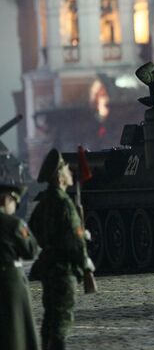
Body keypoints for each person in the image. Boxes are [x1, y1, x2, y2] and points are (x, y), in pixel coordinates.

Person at [29, 149, 92, 350]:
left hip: (49, 268)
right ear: (59, 176)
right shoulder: (64, 203)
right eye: (66, 169)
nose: (70, 172)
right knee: (61, 323)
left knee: (50, 320)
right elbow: (75, 241)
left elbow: (33, 227)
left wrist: (50, 242)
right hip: (64, 270)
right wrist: (86, 265)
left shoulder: (45, 201)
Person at [0, 179, 39, 350]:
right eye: (14, 201)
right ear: (5, 200)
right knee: (16, 328)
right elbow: (30, 250)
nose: (15, 206)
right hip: (10, 281)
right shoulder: (14, 224)